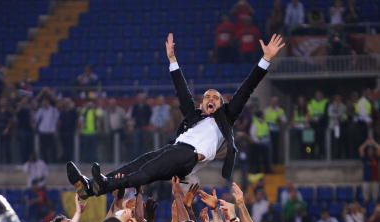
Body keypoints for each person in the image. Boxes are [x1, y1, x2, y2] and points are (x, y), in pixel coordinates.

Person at [66, 33, 285, 198]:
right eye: (207, 96)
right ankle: (90, 187)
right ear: (201, 103)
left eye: (216, 97)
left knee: (147, 169)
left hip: (188, 155)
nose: (211, 98)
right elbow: (182, 92)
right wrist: (172, 60)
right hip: (176, 152)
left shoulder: (226, 117)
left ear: (222, 104)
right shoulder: (194, 117)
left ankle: (104, 184)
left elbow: (246, 88)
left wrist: (265, 59)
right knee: (140, 163)